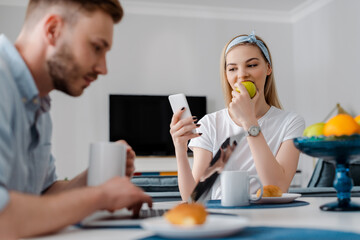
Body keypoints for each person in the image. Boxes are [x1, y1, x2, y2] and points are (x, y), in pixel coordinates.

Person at [0, 0, 152, 239]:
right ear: (53, 31)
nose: (103, 68)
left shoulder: (39, 106)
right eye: (96, 47)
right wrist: (101, 196)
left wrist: (93, 177)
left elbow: (43, 196)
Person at [170, 32, 305, 201]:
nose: (241, 75)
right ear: (227, 76)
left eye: (252, 65)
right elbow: (194, 199)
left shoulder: (290, 123)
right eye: (232, 68)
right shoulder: (210, 124)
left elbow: (278, 187)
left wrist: (249, 122)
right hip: (223, 216)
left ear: (268, 68)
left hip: (269, 214)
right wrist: (180, 150)